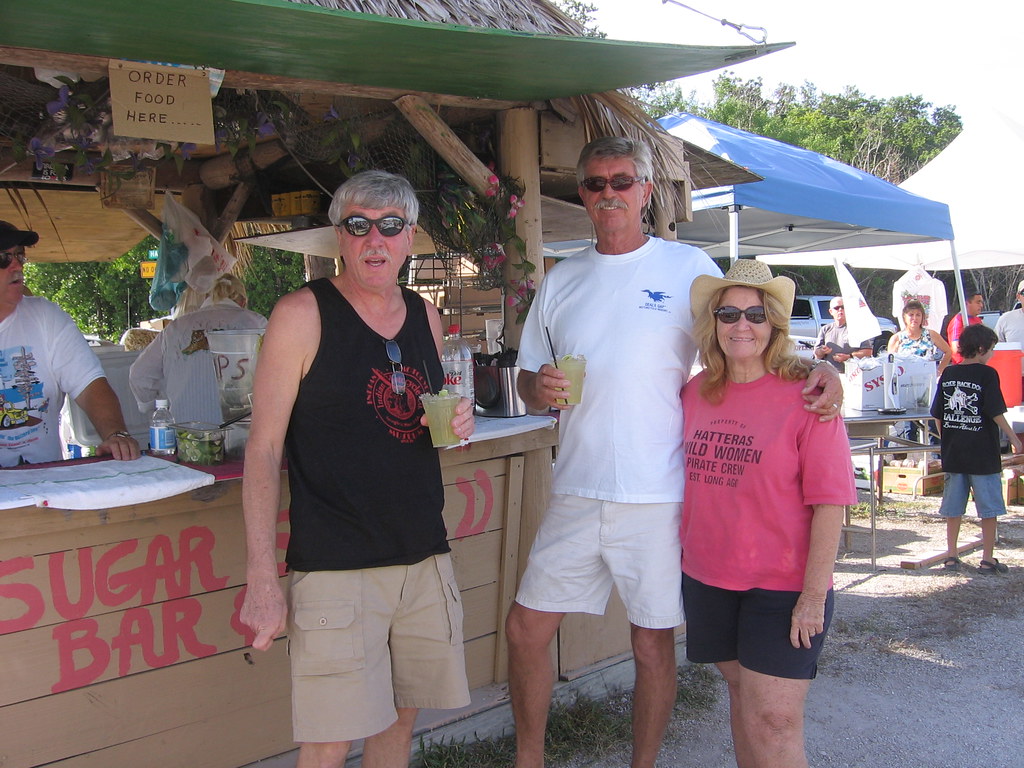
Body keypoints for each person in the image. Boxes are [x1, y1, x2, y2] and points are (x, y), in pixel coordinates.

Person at [508, 136, 843, 768]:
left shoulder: (689, 266)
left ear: (646, 192)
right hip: (577, 488)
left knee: (651, 645)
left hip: (660, 494)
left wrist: (824, 369)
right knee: (526, 628)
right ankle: (530, 759)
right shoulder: (561, 280)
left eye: (623, 181)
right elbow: (528, 384)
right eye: (596, 184)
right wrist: (536, 386)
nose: (610, 193)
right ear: (582, 194)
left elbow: (749, 336)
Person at [238, 171, 474, 768]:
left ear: (410, 236)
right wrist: (262, 578)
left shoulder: (427, 316)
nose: (376, 240)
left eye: (391, 226)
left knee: (400, 722)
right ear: (338, 236)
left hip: (423, 554)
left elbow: (419, 425)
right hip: (337, 564)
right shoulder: (301, 314)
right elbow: (263, 449)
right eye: (359, 225)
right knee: (329, 741)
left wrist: (455, 427)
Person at [682, 259, 856, 768]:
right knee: (743, 700)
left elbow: (831, 504)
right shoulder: (694, 393)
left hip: (782, 587)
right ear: (713, 323)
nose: (742, 325)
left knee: (776, 723)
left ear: (774, 324)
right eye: (729, 313)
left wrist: (812, 597)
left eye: (755, 314)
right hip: (708, 579)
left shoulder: (809, 397)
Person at [0, 220, 140, 467]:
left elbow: (89, 385)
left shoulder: (45, 316)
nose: (17, 265)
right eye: (3, 258)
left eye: (20, 255)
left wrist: (115, 434)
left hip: (45, 482)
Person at [930, 323, 1022, 574]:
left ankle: (951, 555)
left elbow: (937, 413)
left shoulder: (948, 374)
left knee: (953, 508)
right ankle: (988, 558)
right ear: (981, 349)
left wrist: (946, 437)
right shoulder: (987, 374)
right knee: (989, 509)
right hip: (983, 454)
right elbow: (996, 411)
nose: (992, 354)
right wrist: (1014, 439)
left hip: (954, 452)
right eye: (991, 349)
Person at [129, 273, 268, 424]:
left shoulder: (176, 327)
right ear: (243, 301)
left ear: (206, 297)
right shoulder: (257, 323)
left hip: (187, 431)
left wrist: (154, 408)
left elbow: (140, 374)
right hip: (243, 428)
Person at [887, 299, 952, 372]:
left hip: (926, 379)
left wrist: (939, 371)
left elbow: (948, 352)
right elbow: (890, 364)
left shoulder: (931, 334)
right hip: (904, 380)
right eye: (911, 315)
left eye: (918, 315)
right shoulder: (896, 338)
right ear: (904, 317)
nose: (914, 318)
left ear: (922, 317)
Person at [812, 296, 873, 370]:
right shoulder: (825, 329)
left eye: (843, 307)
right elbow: (817, 354)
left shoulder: (857, 329)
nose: (840, 310)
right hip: (830, 374)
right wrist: (822, 351)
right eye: (836, 308)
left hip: (852, 375)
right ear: (831, 311)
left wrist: (849, 356)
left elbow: (868, 352)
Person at [945, 291, 984, 364]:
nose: (981, 305)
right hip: (962, 365)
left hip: (978, 364)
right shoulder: (958, 321)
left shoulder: (978, 320)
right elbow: (955, 348)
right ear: (966, 303)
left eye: (981, 302)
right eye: (978, 302)